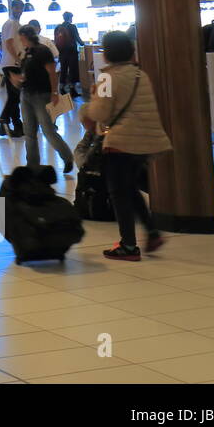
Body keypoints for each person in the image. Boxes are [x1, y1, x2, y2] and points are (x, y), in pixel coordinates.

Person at [81, 31, 171, 261]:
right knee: (129, 188)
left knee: (119, 193)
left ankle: (128, 246)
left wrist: (89, 104)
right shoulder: (141, 74)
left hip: (121, 142)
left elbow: (100, 112)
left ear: (108, 53)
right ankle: (151, 233)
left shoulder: (106, 78)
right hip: (146, 142)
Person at [16, 25, 76, 173]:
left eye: (21, 37)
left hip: (41, 95)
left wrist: (54, 92)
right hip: (26, 94)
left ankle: (67, 157)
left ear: (26, 36)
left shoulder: (42, 51)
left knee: (48, 129)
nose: (20, 40)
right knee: (29, 132)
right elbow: (27, 73)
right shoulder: (26, 52)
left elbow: (52, 73)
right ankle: (32, 165)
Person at [0, 0, 26, 138]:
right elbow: (9, 44)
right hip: (11, 63)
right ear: (12, 8)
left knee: (14, 97)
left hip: (12, 63)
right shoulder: (11, 24)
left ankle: (11, 125)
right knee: (14, 96)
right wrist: (18, 59)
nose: (20, 11)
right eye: (18, 8)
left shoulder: (15, 24)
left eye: (22, 8)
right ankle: (8, 124)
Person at [54, 12, 85, 98]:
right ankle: (72, 90)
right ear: (69, 18)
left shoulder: (58, 28)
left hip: (62, 52)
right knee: (73, 71)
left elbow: (56, 41)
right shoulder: (72, 26)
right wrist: (83, 43)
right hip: (72, 52)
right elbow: (78, 39)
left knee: (63, 70)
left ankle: (61, 89)